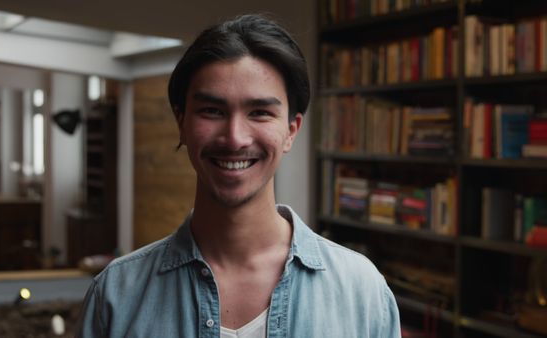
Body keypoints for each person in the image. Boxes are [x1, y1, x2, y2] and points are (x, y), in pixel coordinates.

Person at [76, 14, 400, 338]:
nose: (234, 138)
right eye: (212, 111)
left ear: (291, 131)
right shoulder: (116, 297)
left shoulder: (362, 292)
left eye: (259, 112)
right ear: (182, 122)